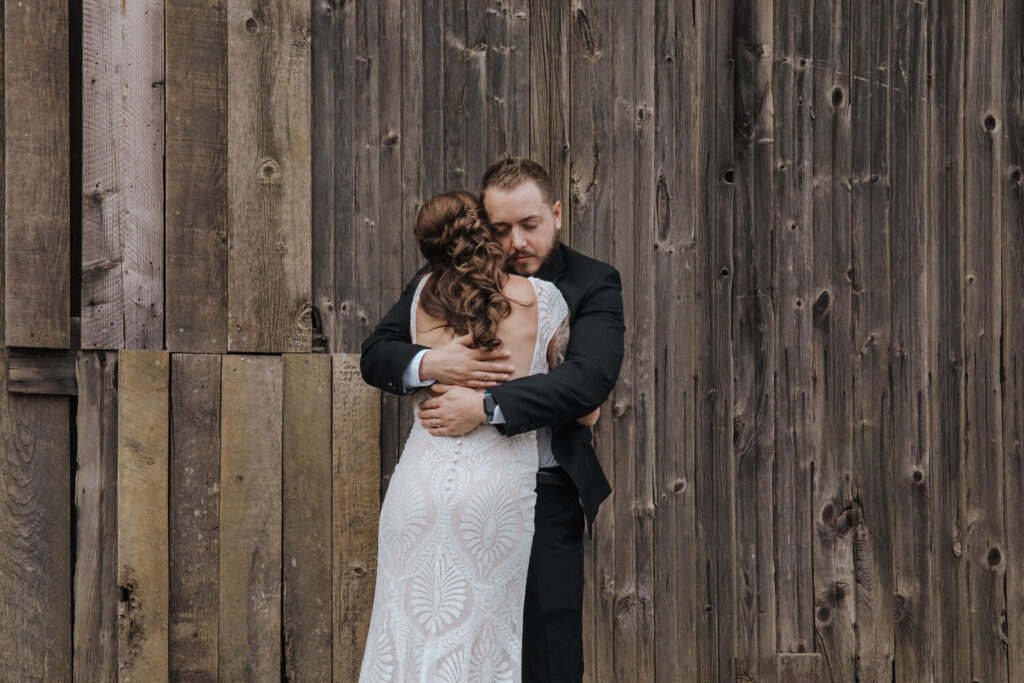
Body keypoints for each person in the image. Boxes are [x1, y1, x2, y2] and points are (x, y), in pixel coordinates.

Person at [360, 157, 625, 682]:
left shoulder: (592, 282)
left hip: (547, 490)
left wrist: (483, 408)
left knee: (546, 655)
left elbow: (588, 381)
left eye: (530, 225)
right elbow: (377, 353)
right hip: (455, 493)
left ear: (555, 214)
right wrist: (432, 363)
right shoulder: (439, 280)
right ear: (481, 227)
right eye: (500, 229)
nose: (517, 242)